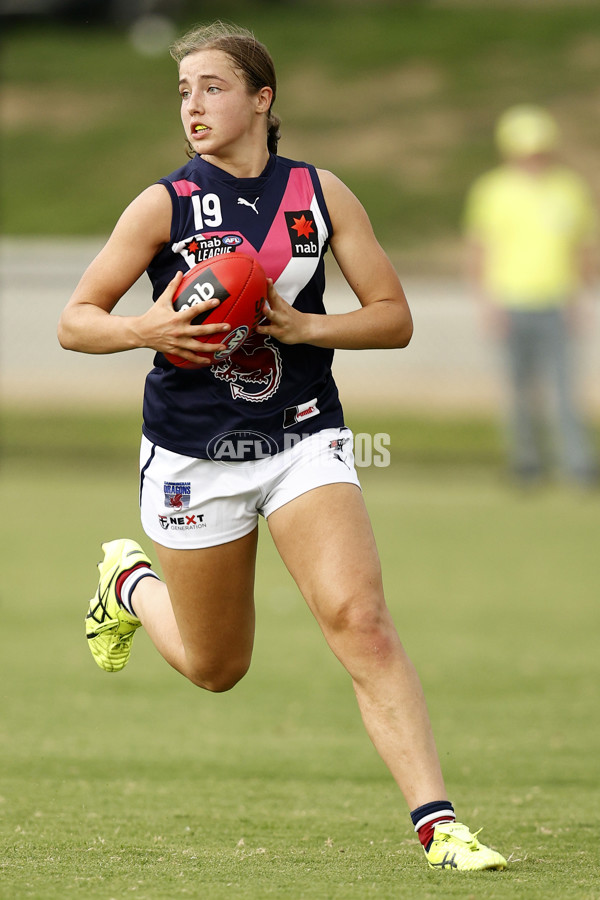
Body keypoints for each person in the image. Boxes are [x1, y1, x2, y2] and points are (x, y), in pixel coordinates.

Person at [58, 21, 506, 871]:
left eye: (213, 86)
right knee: (217, 667)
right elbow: (75, 322)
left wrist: (309, 325)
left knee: (361, 622)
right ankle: (127, 580)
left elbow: (395, 318)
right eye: (183, 90)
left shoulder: (320, 193)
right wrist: (142, 328)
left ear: (262, 98)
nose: (193, 104)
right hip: (193, 454)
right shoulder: (166, 203)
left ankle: (439, 825)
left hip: (305, 437)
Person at [463, 104, 598, 488]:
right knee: (519, 390)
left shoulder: (568, 188)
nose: (533, 159)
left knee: (566, 389)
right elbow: (480, 250)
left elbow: (581, 249)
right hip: (510, 301)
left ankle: (577, 465)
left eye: (538, 151)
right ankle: (527, 465)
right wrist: (487, 304)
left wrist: (581, 297)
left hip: (558, 301)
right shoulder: (493, 190)